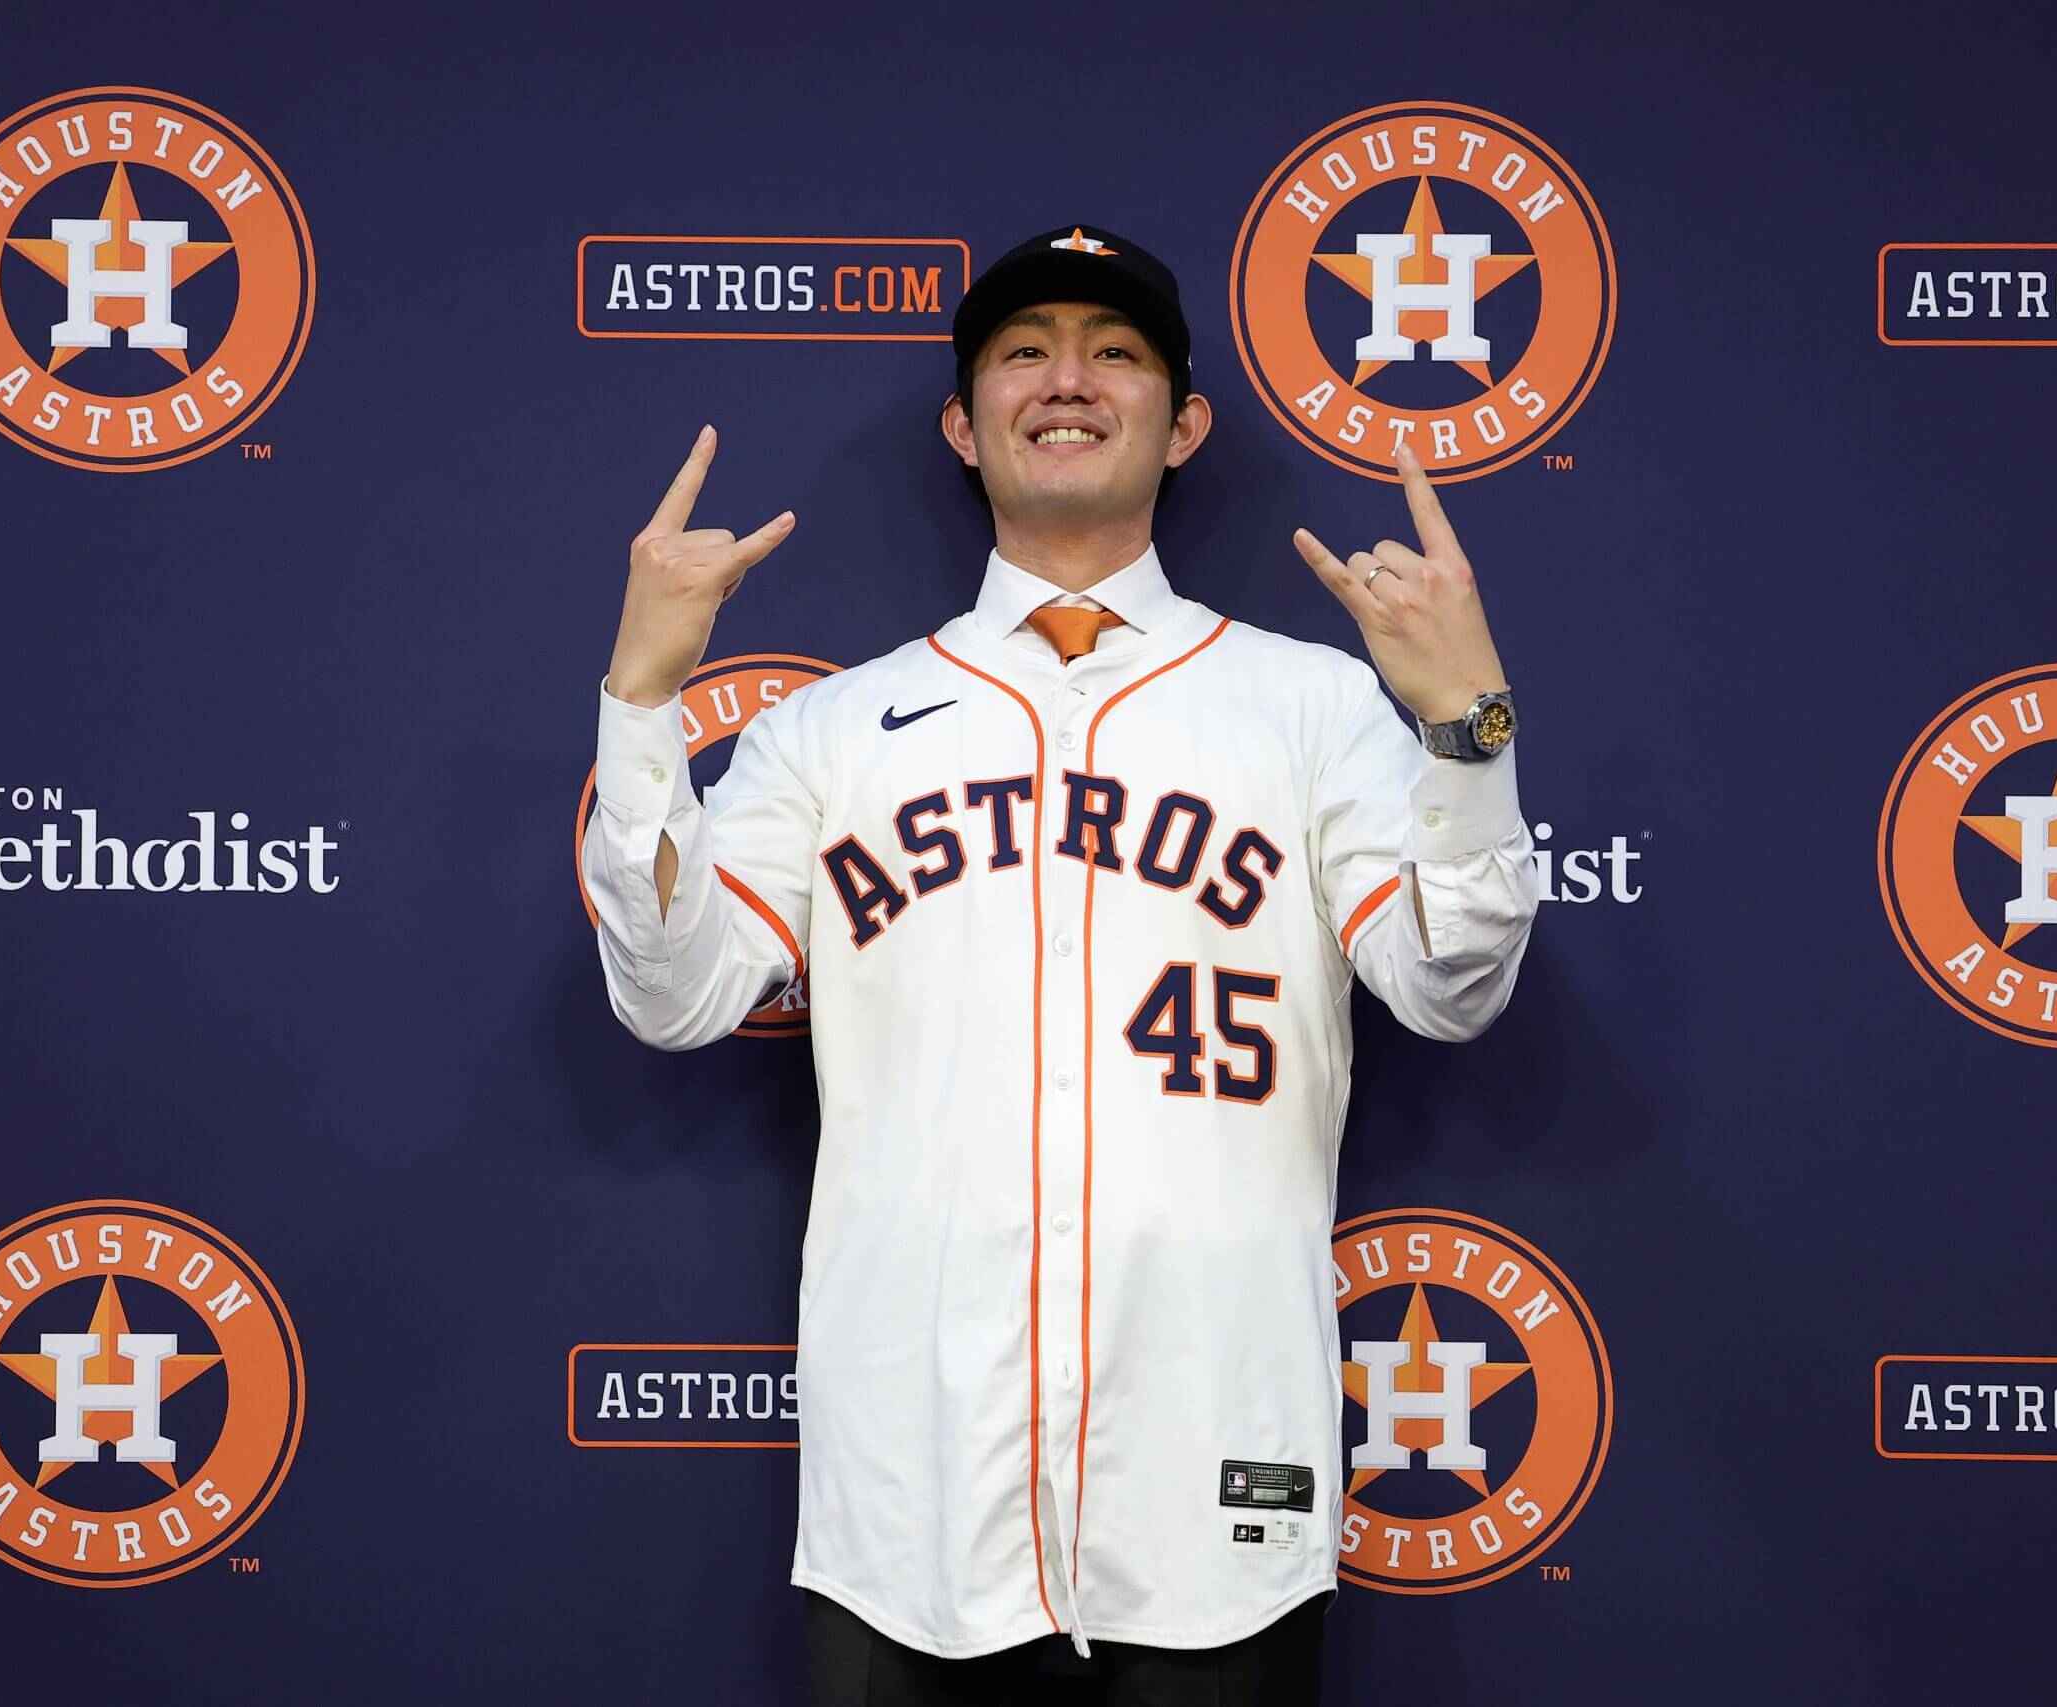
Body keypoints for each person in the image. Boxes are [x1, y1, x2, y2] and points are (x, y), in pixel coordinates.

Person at [583, 223, 1539, 1706]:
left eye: (1116, 351)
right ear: (965, 427)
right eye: (1024, 352)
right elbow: (671, 991)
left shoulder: (1313, 704)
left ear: (1186, 420)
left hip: (1215, 1478)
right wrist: (646, 697)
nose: (1068, 379)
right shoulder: (836, 731)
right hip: (914, 1504)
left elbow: (1450, 984)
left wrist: (1469, 726)